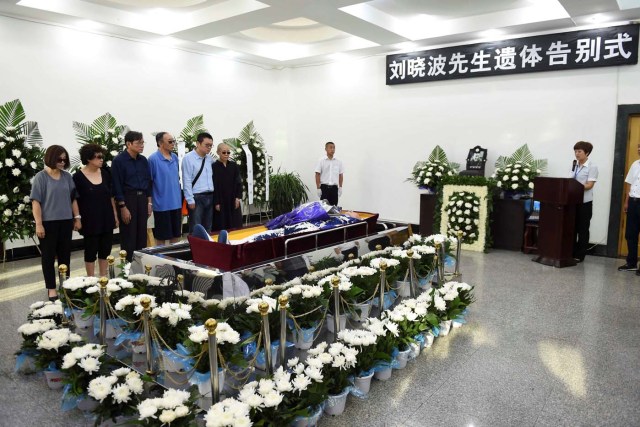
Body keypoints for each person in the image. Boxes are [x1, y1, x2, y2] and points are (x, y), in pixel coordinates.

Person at [30, 145, 82, 301]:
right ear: (51, 158)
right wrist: (38, 224)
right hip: (48, 224)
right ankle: (51, 288)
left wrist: (77, 217)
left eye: (64, 159)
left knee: (65, 255)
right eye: (59, 159)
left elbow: (73, 199)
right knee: (48, 257)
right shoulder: (41, 177)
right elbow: (36, 203)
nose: (62, 162)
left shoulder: (67, 177)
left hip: (66, 222)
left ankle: (65, 285)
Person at [73, 144, 118, 277]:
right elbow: (74, 200)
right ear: (88, 159)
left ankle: (103, 277)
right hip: (89, 220)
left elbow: (110, 196)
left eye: (102, 156)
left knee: (105, 249)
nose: (101, 159)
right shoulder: (78, 177)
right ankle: (91, 279)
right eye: (98, 157)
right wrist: (77, 218)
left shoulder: (105, 173)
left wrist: (115, 215)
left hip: (106, 217)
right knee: (91, 251)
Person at [111, 131, 152, 262]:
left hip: (142, 199)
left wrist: (149, 203)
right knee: (129, 236)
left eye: (142, 142)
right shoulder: (119, 161)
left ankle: (140, 266)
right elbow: (117, 185)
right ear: (128, 144)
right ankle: (128, 268)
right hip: (128, 199)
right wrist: (122, 207)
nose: (142, 145)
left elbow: (148, 182)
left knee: (141, 235)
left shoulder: (143, 160)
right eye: (138, 142)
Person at [148, 132, 182, 245]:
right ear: (160, 143)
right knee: (161, 237)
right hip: (162, 205)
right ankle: (161, 261)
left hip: (176, 203)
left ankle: (174, 260)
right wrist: (150, 203)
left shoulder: (175, 157)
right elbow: (149, 182)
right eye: (170, 141)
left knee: (176, 236)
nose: (173, 144)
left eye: (174, 141)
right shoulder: (153, 159)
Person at [571, 141, 598, 263]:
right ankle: (570, 251)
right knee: (572, 227)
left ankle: (580, 254)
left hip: (585, 203)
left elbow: (590, 185)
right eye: (575, 151)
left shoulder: (592, 167)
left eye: (579, 151)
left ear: (587, 153)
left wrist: (576, 186)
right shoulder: (575, 165)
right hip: (573, 202)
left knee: (582, 229)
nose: (577, 154)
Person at [182, 132, 214, 233]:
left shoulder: (210, 159)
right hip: (197, 198)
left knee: (208, 227)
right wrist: (190, 199)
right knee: (196, 227)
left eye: (211, 145)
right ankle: (196, 248)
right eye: (207, 145)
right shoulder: (188, 158)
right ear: (198, 144)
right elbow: (186, 179)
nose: (209, 148)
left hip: (210, 196)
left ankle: (207, 248)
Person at [618, 143, 640, 273]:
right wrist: (626, 202)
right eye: (638, 147)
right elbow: (629, 184)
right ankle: (631, 263)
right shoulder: (635, 164)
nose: (638, 149)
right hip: (633, 202)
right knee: (630, 234)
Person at [213, 143, 243, 230]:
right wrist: (216, 202)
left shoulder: (234, 166)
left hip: (233, 199)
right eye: (224, 152)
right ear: (218, 152)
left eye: (228, 152)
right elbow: (214, 185)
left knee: (235, 223)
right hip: (221, 200)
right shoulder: (214, 167)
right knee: (222, 224)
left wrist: (238, 197)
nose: (226, 154)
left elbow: (238, 182)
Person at [315, 141, 344, 206]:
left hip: (334, 188)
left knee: (334, 208)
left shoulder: (338, 161)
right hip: (324, 188)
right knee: (324, 209)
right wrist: (318, 188)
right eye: (330, 148)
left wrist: (340, 187)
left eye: (334, 148)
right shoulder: (321, 161)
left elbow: (340, 175)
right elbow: (317, 174)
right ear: (326, 149)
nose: (332, 149)